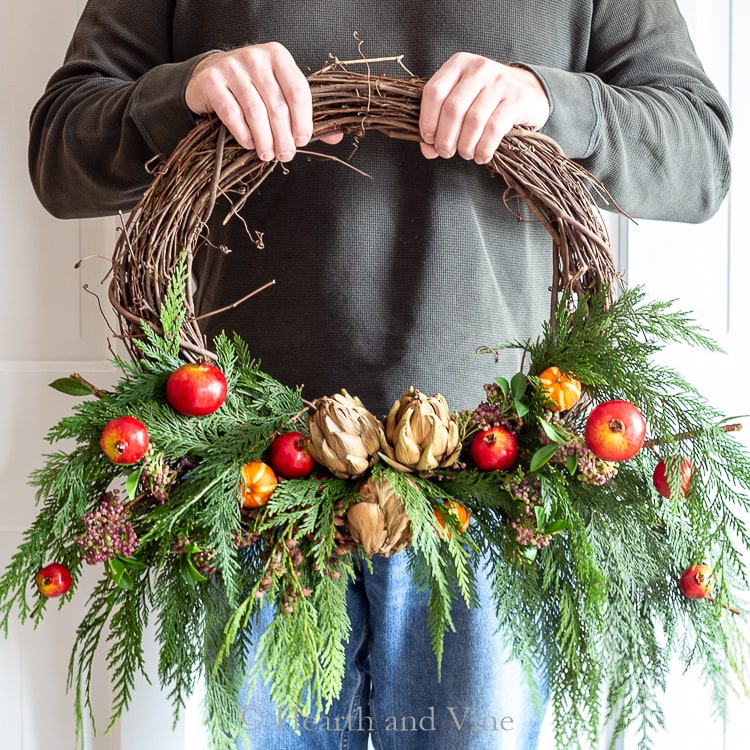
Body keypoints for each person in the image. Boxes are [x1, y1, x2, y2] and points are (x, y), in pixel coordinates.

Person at [28, 2, 731, 748]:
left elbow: (701, 158)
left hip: (496, 490)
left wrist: (554, 101)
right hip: (253, 490)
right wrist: (186, 93)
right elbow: (60, 154)